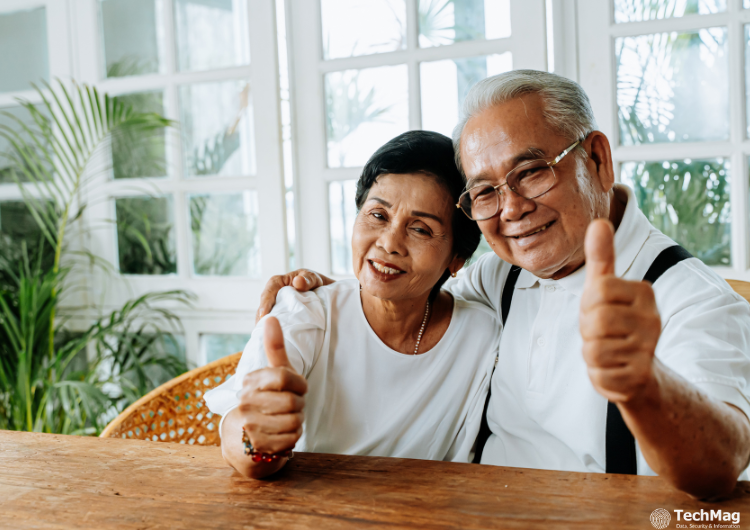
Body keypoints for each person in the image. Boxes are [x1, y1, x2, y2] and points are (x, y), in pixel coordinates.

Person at [257, 70, 750, 498]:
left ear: (597, 159)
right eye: (486, 191)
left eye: (532, 172)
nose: (511, 209)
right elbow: (419, 276)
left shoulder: (692, 299)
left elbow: (720, 465)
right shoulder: (502, 274)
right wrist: (330, 294)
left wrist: (644, 384)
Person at [205, 131, 500, 479]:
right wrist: (258, 440)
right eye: (378, 215)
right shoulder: (305, 313)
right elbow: (240, 435)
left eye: (420, 229)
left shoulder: (482, 334)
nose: (389, 243)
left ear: (457, 259)